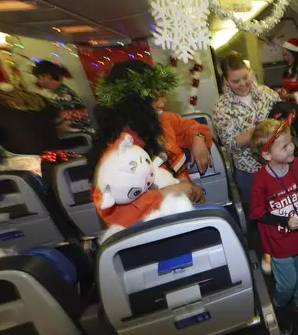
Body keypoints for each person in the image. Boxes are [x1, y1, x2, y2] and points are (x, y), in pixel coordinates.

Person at [87, 60, 212, 225]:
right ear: (133, 105)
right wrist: (169, 192)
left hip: (185, 210)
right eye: (153, 98)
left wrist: (199, 140)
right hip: (154, 227)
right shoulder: (117, 149)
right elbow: (113, 212)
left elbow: (193, 127)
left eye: (161, 94)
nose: (162, 102)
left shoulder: (163, 121)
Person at [248, 117, 298, 335]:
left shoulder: (297, 166)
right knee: (286, 285)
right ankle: (281, 307)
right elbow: (257, 213)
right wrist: (284, 221)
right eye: (285, 146)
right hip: (278, 242)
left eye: (291, 143)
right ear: (267, 155)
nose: (292, 149)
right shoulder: (261, 181)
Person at [212, 51, 281, 201]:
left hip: (278, 164)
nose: (243, 84)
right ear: (226, 81)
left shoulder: (267, 93)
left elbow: (284, 118)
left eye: (245, 77)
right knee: (261, 216)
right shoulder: (222, 108)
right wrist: (260, 132)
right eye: (236, 81)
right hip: (250, 172)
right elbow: (230, 145)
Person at [32, 60, 94, 134]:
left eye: (38, 77)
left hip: (79, 136)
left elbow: (66, 126)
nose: (37, 81)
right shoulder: (61, 91)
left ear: (47, 77)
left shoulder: (63, 95)